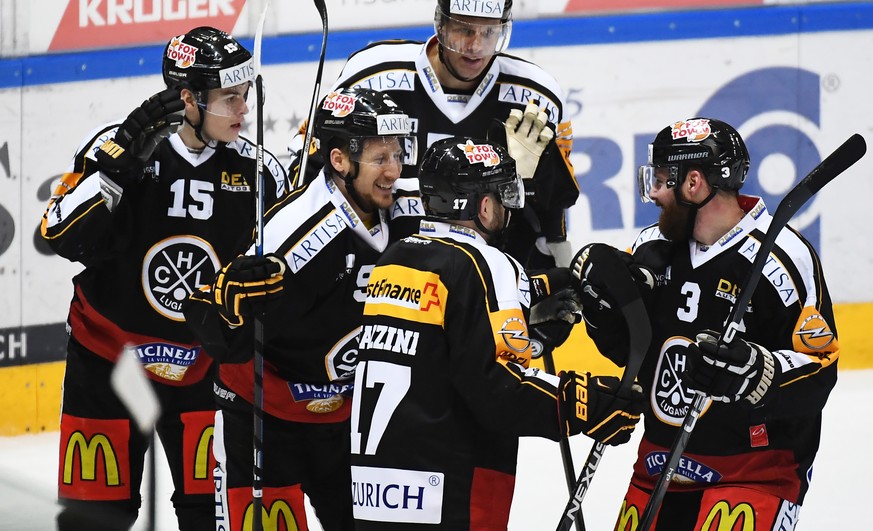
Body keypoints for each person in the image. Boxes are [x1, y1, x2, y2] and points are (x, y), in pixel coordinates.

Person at [39, 27, 288, 531]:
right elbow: (59, 235)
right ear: (188, 99)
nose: (243, 111)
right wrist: (115, 169)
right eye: (230, 98)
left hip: (203, 369)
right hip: (109, 361)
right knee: (94, 518)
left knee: (209, 515)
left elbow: (280, 284)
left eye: (246, 96)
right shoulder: (118, 147)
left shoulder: (261, 175)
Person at [349, 136, 645, 529]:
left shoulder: (395, 258)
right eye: (501, 195)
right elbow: (496, 388)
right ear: (484, 206)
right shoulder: (486, 262)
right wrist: (578, 403)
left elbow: (441, 350)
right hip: (449, 486)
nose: (507, 207)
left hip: (377, 487)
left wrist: (534, 324)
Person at [573, 118, 839, 530]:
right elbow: (636, 352)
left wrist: (756, 372)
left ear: (693, 183)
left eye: (662, 180)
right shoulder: (651, 248)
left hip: (756, 473)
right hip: (658, 465)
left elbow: (820, 369)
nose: (654, 193)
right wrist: (600, 313)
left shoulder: (783, 259)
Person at [183, 87, 414, 531]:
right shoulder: (299, 231)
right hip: (265, 423)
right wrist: (229, 301)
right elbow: (210, 321)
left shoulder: (400, 212)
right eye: (380, 158)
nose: (394, 170)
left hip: (348, 421)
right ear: (340, 161)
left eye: (397, 154)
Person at [290, 0, 578, 269]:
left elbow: (554, 217)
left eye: (489, 32)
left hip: (486, 283)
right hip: (379, 274)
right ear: (440, 24)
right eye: (464, 30)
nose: (476, 46)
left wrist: (522, 181)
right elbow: (308, 168)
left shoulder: (537, 97)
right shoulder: (372, 75)